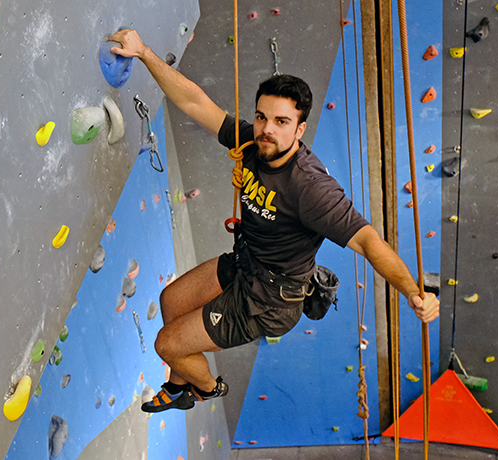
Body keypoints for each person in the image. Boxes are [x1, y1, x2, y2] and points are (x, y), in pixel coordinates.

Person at [109, 29, 440, 413]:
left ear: (300, 130)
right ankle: (181, 383)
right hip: (247, 263)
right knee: (171, 300)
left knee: (167, 343)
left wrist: (413, 291)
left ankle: (206, 388)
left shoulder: (311, 188)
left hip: (269, 298)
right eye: (262, 116)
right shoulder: (254, 143)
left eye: (282, 122)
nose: (268, 128)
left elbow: (368, 242)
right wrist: (144, 52)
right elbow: (194, 101)